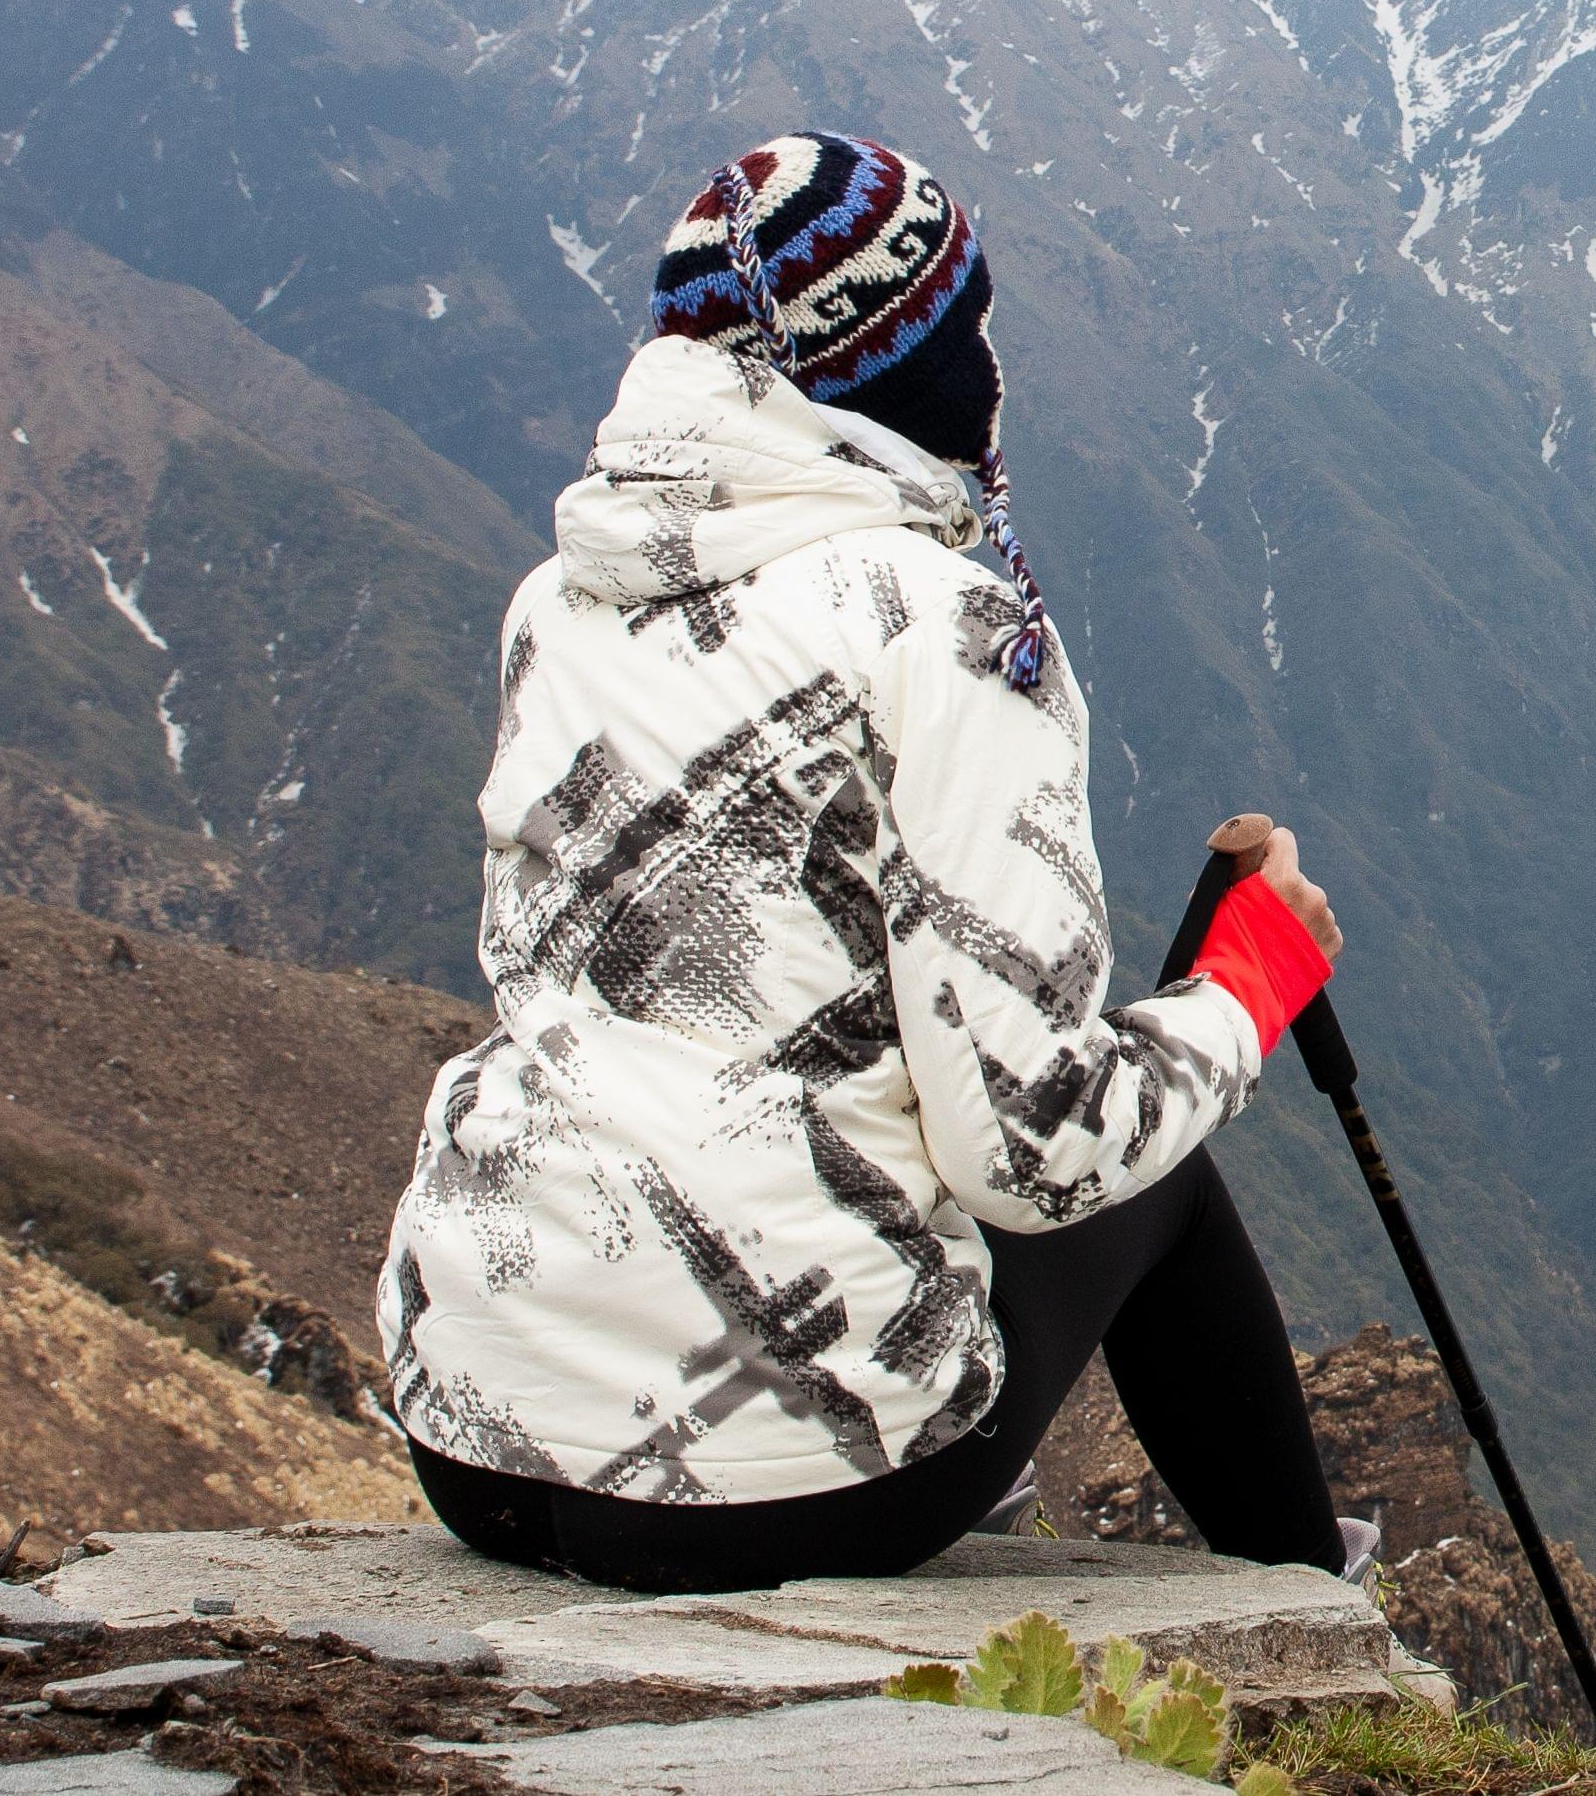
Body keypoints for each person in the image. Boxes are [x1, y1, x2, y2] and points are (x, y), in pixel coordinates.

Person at [377, 130, 1358, 1593]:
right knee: (1151, 1189)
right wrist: (1248, 981)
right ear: (892, 364)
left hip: (472, 1439)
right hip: (772, 1495)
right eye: (965, 328)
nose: (988, 367)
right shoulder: (940, 627)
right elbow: (1031, 1151)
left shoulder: (556, 599)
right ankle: (1315, 1615)